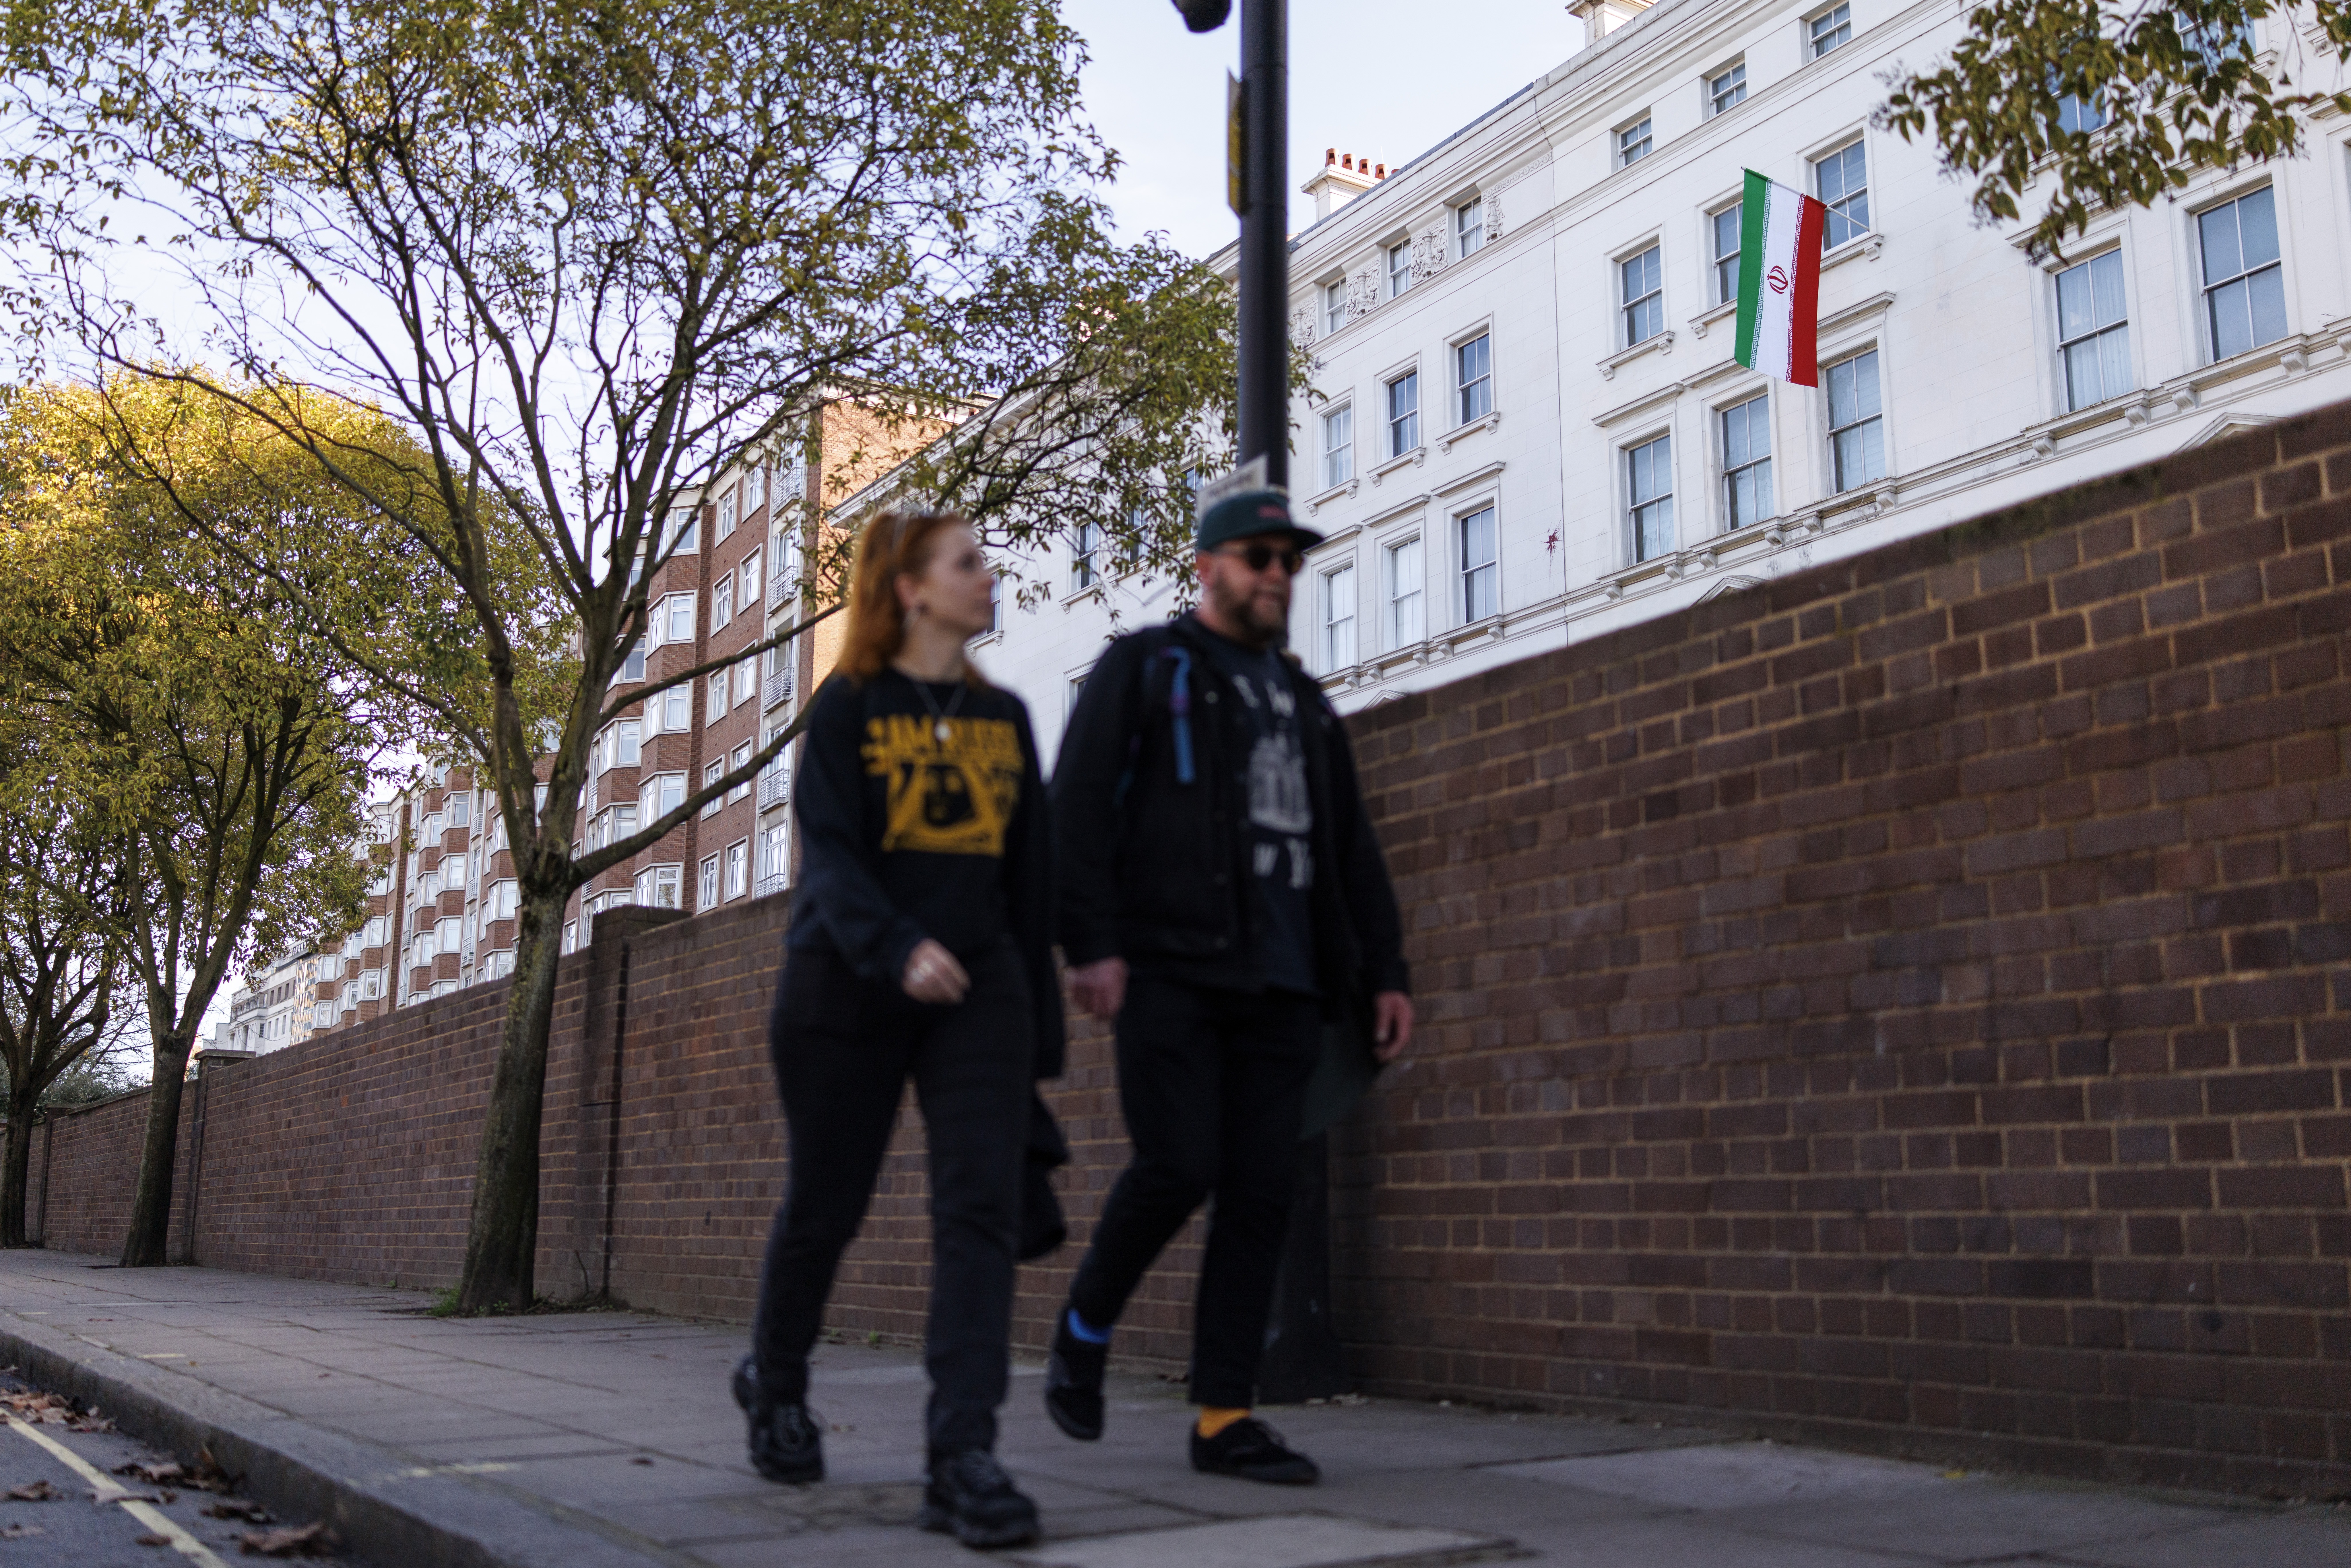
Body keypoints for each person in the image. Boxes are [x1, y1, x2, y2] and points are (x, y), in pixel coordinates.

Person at [1044, 487, 1412, 1485]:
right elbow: (1077, 807)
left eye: (1290, 560)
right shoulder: (1146, 668)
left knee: (1259, 1194)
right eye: (1260, 557)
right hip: (1171, 968)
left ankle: (1224, 1418)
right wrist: (1091, 944)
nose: (1278, 575)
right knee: (1177, 1165)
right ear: (1209, 567)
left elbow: (1351, 849)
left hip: (1285, 983)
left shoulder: (1304, 700)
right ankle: (1085, 1325)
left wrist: (1385, 974)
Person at [732, 509, 1062, 1550]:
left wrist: (1038, 1053)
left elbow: (1030, 887)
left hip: (977, 990)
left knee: (978, 1216)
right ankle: (776, 1378)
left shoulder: (1004, 718)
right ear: (911, 589)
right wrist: (896, 945)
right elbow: (828, 857)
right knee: (827, 1206)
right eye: (968, 564)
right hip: (846, 986)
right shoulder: (849, 708)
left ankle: (962, 1457)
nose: (988, 577)